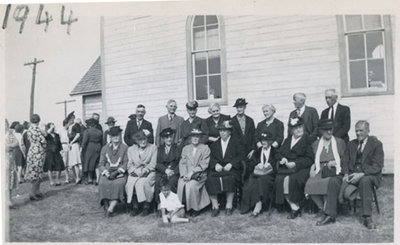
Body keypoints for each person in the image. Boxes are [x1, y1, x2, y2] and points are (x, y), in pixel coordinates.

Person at [340, 120, 384, 229]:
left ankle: (367, 217)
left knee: (365, 181)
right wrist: (345, 173)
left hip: (370, 175)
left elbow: (377, 166)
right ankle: (332, 212)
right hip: (352, 174)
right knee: (336, 180)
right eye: (356, 131)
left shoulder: (376, 144)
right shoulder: (351, 144)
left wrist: (362, 174)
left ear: (368, 131)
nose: (358, 133)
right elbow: (344, 161)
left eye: (361, 130)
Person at [304, 119, 346, 225]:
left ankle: (328, 209)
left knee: (328, 183)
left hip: (333, 169)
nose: (329, 132)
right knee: (310, 183)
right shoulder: (316, 144)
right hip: (320, 168)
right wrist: (312, 169)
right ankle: (322, 208)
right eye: (326, 130)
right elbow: (313, 160)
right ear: (321, 131)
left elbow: (345, 159)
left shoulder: (339, 142)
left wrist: (335, 163)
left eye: (331, 129)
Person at [275, 117, 314, 219]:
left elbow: (310, 159)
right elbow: (278, 153)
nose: (298, 130)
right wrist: (283, 158)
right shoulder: (287, 140)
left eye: (300, 127)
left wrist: (296, 163)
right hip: (287, 168)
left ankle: (295, 206)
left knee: (291, 180)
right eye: (295, 128)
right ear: (291, 130)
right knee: (279, 179)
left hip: (301, 168)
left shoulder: (307, 140)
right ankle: (294, 206)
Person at [205, 120, 244, 217]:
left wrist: (231, 163)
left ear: (230, 131)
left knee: (230, 178)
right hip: (218, 169)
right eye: (220, 131)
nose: (222, 133)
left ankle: (229, 205)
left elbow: (241, 155)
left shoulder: (236, 142)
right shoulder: (215, 144)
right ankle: (215, 206)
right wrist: (215, 164)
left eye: (225, 130)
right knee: (210, 178)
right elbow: (211, 157)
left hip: (231, 169)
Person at [240, 132, 277, 217]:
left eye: (266, 140)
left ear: (270, 141)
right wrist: (256, 165)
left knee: (261, 181)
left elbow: (276, 165)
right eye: (262, 140)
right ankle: (249, 206)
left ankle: (258, 205)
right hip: (257, 173)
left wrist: (270, 165)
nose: (263, 142)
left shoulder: (275, 152)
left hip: (269, 175)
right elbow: (251, 164)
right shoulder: (258, 151)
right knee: (251, 182)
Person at [177, 128, 211, 216]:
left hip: (199, 174)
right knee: (181, 183)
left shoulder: (205, 148)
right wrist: (184, 174)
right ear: (190, 138)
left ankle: (194, 208)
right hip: (186, 174)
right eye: (193, 136)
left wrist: (191, 173)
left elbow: (204, 164)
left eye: (197, 136)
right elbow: (182, 162)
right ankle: (182, 207)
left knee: (191, 185)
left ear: (200, 138)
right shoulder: (186, 148)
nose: (195, 138)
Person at [125, 131, 158, 216]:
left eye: (144, 139)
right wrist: (135, 171)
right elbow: (130, 164)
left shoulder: (153, 148)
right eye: (140, 140)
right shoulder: (131, 149)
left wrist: (145, 170)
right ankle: (135, 206)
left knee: (143, 183)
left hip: (149, 171)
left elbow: (153, 163)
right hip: (136, 171)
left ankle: (146, 206)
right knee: (130, 183)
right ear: (136, 141)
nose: (143, 141)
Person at [98, 126, 128, 217]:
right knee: (103, 183)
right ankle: (106, 206)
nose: (116, 137)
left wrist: (117, 172)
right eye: (113, 136)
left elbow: (126, 162)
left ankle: (111, 208)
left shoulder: (125, 148)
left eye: (118, 135)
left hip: (120, 173)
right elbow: (101, 163)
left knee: (118, 184)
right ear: (110, 137)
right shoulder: (105, 148)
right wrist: (106, 173)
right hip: (108, 172)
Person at [155, 128, 180, 209]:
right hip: (163, 171)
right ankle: (159, 203)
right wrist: (165, 170)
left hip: (174, 172)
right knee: (157, 181)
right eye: (166, 137)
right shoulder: (159, 149)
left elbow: (180, 162)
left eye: (170, 137)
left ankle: (171, 203)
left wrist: (174, 172)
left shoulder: (177, 148)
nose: (169, 139)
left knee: (172, 182)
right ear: (163, 139)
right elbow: (157, 163)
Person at [25, 114, 47, 201]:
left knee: (34, 170)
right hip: (38, 151)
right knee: (37, 172)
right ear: (38, 120)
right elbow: (43, 140)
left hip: (32, 150)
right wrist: (44, 146)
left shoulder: (29, 129)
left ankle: (37, 191)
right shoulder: (37, 129)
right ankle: (33, 192)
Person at [81, 118, 103, 184]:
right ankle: (96, 178)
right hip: (98, 147)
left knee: (88, 162)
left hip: (90, 146)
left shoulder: (87, 131)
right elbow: (102, 141)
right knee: (95, 162)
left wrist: (82, 148)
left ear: (89, 125)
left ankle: (89, 178)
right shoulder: (100, 132)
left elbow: (84, 141)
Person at [5, 119, 18, 208]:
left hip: (9, 160)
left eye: (6, 124)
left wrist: (10, 146)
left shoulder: (10, 135)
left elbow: (16, 143)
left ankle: (9, 200)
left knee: (9, 180)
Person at [67, 113, 82, 184]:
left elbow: (78, 135)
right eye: (69, 119)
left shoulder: (76, 125)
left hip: (75, 144)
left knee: (76, 162)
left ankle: (78, 177)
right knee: (72, 162)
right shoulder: (69, 126)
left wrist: (72, 142)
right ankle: (75, 176)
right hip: (70, 145)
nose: (70, 120)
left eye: (72, 119)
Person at [59, 118, 71, 183]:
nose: (69, 125)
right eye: (68, 124)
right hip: (63, 147)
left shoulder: (69, 130)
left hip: (69, 147)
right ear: (66, 124)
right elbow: (59, 139)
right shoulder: (61, 130)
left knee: (69, 163)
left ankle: (68, 178)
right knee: (64, 162)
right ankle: (66, 178)